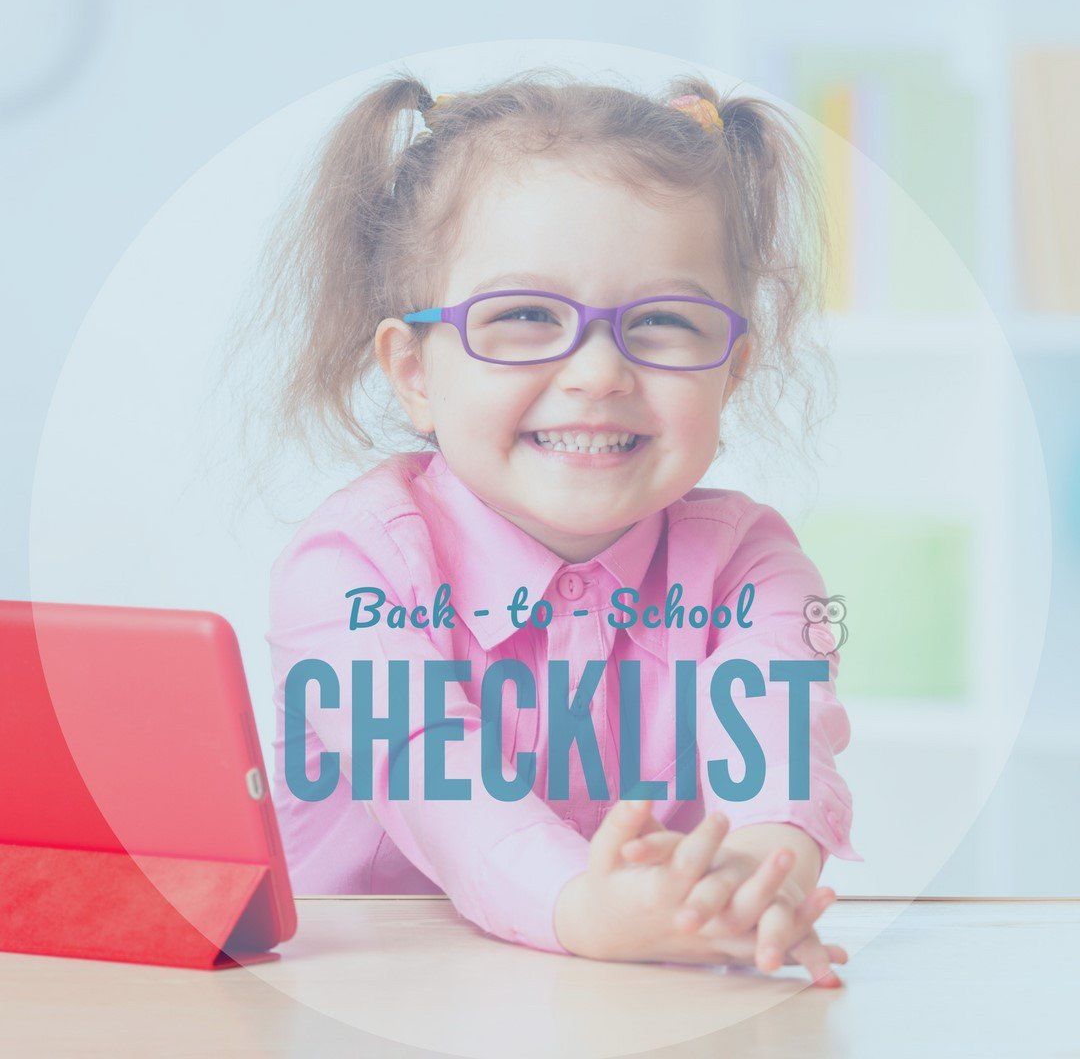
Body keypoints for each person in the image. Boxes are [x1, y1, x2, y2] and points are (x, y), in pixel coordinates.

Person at [258, 68, 860, 986]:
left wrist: (747, 886)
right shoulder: (351, 569)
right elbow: (431, 771)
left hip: (644, 1006)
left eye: (661, 321)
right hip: (373, 1000)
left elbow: (782, 752)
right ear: (415, 371)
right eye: (525, 315)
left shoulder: (753, 566)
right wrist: (583, 906)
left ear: (730, 372)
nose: (598, 372)